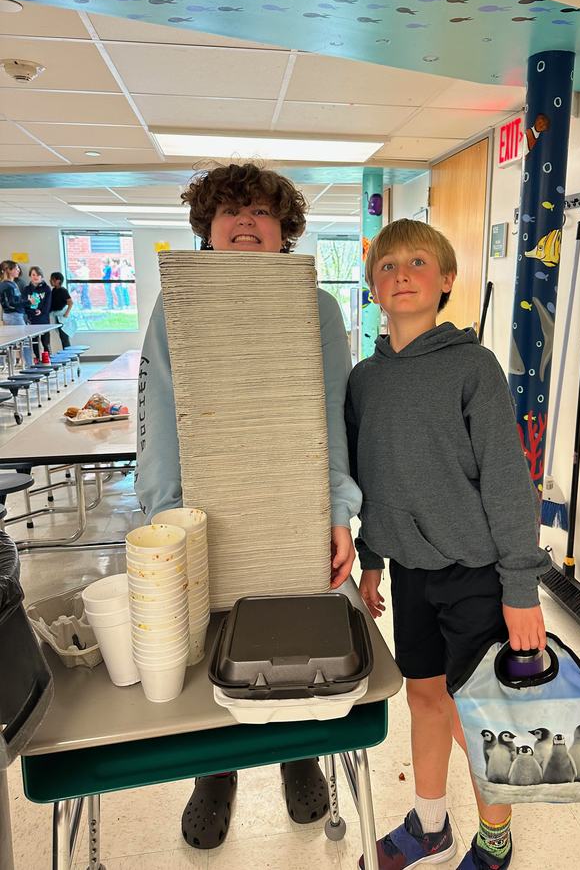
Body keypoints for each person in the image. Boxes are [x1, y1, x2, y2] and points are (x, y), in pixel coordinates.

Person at [135, 161, 361, 851]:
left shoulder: (316, 308)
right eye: (229, 210)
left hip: (292, 508)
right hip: (204, 512)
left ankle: (301, 754)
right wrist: (162, 517)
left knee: (297, 636)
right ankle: (216, 769)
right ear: (205, 226)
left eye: (261, 211)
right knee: (217, 645)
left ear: (283, 231)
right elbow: (159, 416)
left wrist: (337, 510)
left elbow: (333, 413)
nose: (244, 221)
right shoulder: (177, 305)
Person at [345, 219, 550, 870]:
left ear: (446, 281)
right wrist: (373, 558)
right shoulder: (364, 380)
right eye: (387, 264)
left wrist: (520, 588)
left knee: (477, 712)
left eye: (417, 262)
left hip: (476, 574)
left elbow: (509, 483)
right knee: (424, 695)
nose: (401, 273)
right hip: (409, 571)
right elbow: (368, 476)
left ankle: (495, 839)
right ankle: (431, 826)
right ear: (372, 282)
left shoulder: (473, 367)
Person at [0, 260, 32, 368]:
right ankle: (28, 365)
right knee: (25, 341)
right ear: (9, 270)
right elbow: (11, 304)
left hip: (17, 315)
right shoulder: (6, 285)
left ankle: (23, 364)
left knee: (22, 341)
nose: (18, 270)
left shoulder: (13, 284)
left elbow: (17, 301)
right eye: (16, 268)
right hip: (13, 316)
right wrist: (27, 302)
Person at [23, 266, 52, 362]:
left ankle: (47, 358)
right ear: (30, 276)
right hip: (32, 319)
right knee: (34, 341)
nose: (35, 277)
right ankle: (37, 359)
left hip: (43, 319)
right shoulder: (26, 289)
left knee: (45, 341)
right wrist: (31, 312)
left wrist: (41, 311)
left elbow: (48, 304)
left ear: (41, 276)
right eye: (33, 275)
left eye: (38, 275)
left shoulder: (46, 288)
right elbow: (24, 303)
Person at [49, 272, 73, 349]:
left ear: (58, 281)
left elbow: (70, 302)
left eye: (52, 279)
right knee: (62, 337)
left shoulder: (63, 290)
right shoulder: (53, 290)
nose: (50, 281)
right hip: (56, 315)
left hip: (62, 316)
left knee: (64, 337)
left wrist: (66, 314)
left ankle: (69, 356)